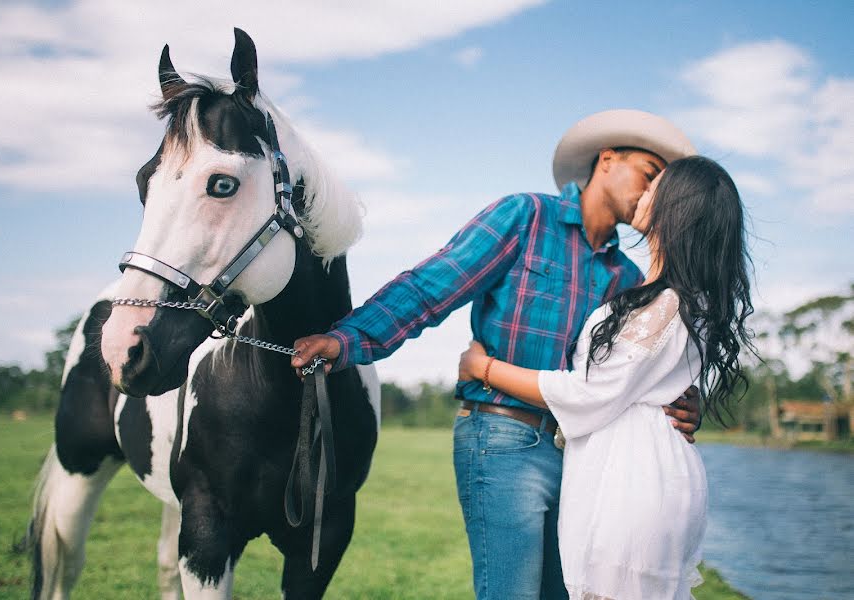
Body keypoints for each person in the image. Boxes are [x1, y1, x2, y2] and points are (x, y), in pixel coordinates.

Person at [292, 109, 703, 599]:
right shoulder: (525, 216)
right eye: (649, 175)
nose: (651, 194)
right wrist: (346, 339)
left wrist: (680, 401)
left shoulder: (630, 279)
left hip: (584, 458)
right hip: (505, 438)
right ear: (607, 160)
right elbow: (432, 286)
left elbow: (631, 376)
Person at [458, 155, 755, 599]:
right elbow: (642, 380)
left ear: (677, 208)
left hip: (633, 479)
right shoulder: (667, 297)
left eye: (658, 184)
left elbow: (589, 394)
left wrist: (482, 368)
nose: (646, 191)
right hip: (640, 467)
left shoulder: (666, 304)